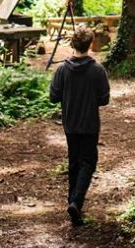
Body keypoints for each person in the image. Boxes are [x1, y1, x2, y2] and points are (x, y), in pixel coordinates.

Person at [49, 26, 110, 225]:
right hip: (90, 124)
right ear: (90, 44)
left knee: (74, 162)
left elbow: (53, 96)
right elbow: (104, 99)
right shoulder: (97, 70)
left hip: (70, 124)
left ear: (73, 44)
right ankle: (76, 202)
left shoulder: (62, 69)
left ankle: (73, 203)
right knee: (88, 163)